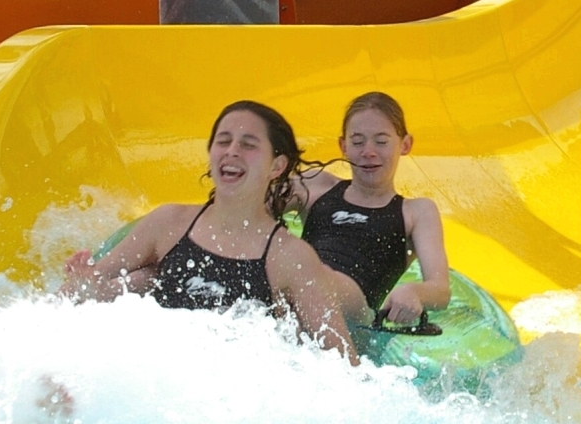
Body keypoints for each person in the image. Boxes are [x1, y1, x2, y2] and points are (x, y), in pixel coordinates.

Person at [58, 100, 359, 365]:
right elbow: (80, 290)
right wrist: (85, 287)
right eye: (223, 141)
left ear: (276, 166)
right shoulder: (169, 224)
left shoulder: (290, 257)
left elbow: (342, 364)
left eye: (248, 144)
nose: (232, 151)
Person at [289, 92, 451, 326]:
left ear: (405, 145)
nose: (368, 151)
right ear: (343, 146)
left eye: (381, 142)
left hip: (354, 314)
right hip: (298, 290)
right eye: (357, 142)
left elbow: (440, 291)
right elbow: (248, 206)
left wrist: (414, 292)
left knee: (311, 273)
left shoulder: (416, 212)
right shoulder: (316, 187)